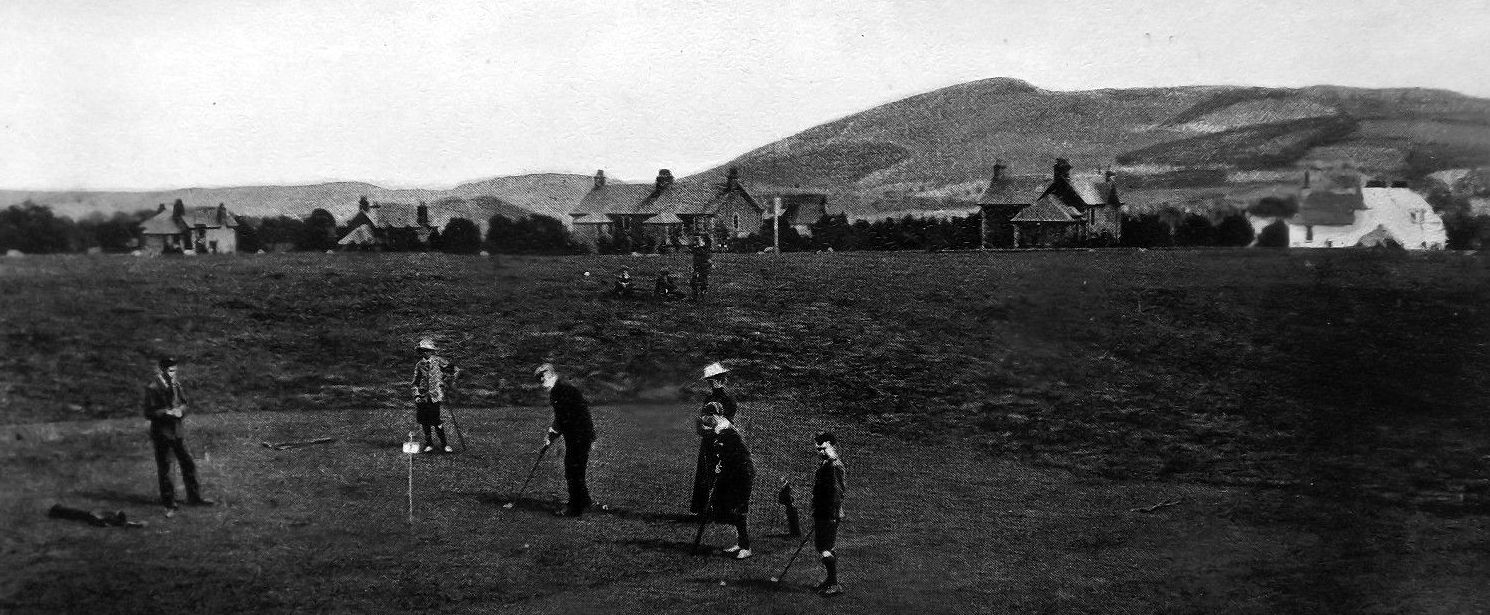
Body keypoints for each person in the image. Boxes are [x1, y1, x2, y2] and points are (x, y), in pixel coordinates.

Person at [141, 356, 213, 517]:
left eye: (175, 371)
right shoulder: (152, 388)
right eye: (170, 371)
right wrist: (166, 412)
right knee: (167, 469)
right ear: (162, 370)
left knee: (188, 464)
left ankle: (194, 498)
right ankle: (169, 502)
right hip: (162, 434)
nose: (173, 374)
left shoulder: (176, 385)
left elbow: (185, 404)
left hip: (178, 432)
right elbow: (148, 412)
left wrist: (181, 411)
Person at [537, 363, 594, 517]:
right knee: (575, 469)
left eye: (542, 376)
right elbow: (560, 418)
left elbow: (565, 417)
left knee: (573, 471)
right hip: (578, 434)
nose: (541, 380)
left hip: (579, 435)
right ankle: (584, 501)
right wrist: (551, 434)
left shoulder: (561, 390)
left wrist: (552, 435)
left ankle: (575, 508)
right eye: (539, 378)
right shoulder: (558, 389)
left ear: (550, 374)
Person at [700, 412, 754, 559]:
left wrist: (721, 467)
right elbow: (724, 457)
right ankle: (741, 543)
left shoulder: (726, 434)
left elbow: (732, 458)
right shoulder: (723, 430)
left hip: (743, 475)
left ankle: (746, 548)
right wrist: (720, 465)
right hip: (736, 473)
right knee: (733, 509)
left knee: (739, 510)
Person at [691, 362, 738, 515]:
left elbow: (727, 420)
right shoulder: (714, 398)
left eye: (713, 380)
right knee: (708, 472)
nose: (711, 384)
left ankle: (717, 509)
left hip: (720, 439)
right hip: (712, 439)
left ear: (721, 379)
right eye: (710, 381)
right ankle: (706, 509)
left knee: (717, 472)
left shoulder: (726, 398)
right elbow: (705, 418)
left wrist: (708, 428)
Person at [411, 338, 460, 453]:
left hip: (435, 396)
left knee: (436, 420)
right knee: (424, 421)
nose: (426, 352)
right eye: (423, 350)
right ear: (421, 352)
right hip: (423, 397)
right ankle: (429, 444)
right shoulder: (419, 365)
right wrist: (417, 395)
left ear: (432, 351)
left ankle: (444, 444)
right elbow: (415, 383)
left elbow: (455, 370)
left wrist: (447, 380)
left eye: (428, 350)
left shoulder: (439, 361)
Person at [813, 431, 847, 596]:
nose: (821, 452)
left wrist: (829, 514)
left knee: (825, 548)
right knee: (823, 546)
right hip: (823, 512)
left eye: (824, 448)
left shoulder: (834, 466)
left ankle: (834, 584)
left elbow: (836, 493)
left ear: (833, 446)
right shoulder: (827, 463)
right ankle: (830, 580)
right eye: (818, 449)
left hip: (829, 513)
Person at [689, 234, 713, 300]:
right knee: (694, 281)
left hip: (703, 267)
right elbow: (692, 251)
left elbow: (706, 256)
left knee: (703, 281)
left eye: (699, 239)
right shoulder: (696, 249)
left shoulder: (705, 249)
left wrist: (699, 247)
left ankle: (703, 294)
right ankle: (695, 295)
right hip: (697, 267)